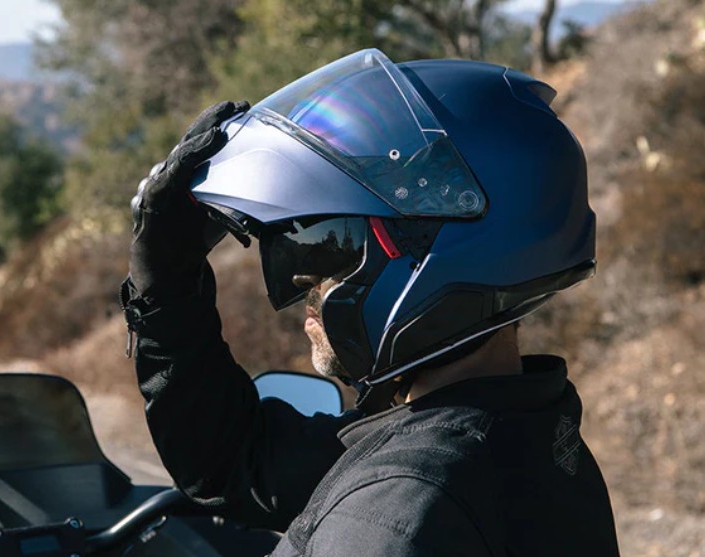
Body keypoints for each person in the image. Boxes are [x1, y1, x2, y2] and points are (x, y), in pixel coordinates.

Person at [121, 49, 620, 556]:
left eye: (327, 244)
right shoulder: (518, 434)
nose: (300, 278)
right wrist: (166, 285)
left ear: (434, 249)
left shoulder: (395, 513)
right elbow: (234, 464)